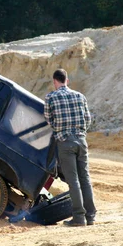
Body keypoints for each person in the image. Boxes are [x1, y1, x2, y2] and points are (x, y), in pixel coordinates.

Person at [44, 69, 96, 227]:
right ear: (67, 80)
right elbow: (88, 119)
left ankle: (79, 217)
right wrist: (79, 132)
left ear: (55, 81)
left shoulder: (51, 97)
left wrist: (60, 131)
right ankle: (91, 216)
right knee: (85, 178)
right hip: (81, 140)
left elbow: (49, 120)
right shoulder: (80, 96)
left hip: (64, 142)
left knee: (73, 181)